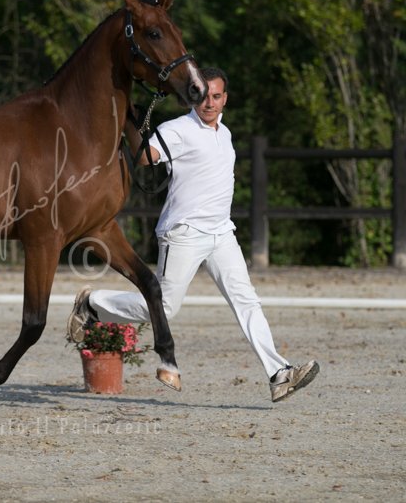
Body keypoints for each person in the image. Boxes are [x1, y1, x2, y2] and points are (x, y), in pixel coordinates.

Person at [68, 67, 319, 402]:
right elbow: (144, 158)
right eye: (202, 96)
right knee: (165, 308)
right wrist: (131, 124)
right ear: (191, 97)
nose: (209, 103)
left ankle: (279, 374)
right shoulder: (178, 129)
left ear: (225, 99)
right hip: (183, 233)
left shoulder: (224, 133)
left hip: (221, 233)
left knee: (246, 301)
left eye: (216, 96)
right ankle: (93, 305)